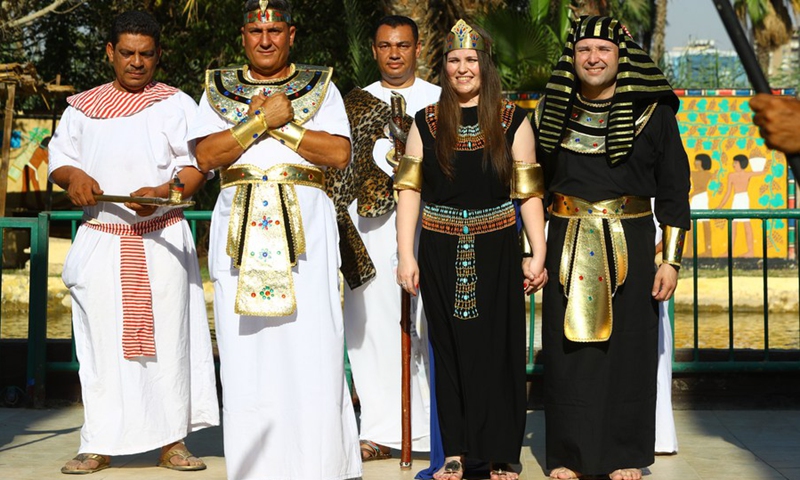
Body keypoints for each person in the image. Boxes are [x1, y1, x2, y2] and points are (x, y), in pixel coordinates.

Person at [187, 1, 361, 479]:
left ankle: (320, 466)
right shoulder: (217, 88)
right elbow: (206, 156)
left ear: (291, 34)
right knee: (245, 351)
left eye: (275, 31)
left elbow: (339, 153)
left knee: (313, 343)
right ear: (243, 36)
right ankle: (254, 468)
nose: (265, 40)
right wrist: (259, 121)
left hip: (306, 231)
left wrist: (284, 122)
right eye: (255, 31)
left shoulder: (321, 86)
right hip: (239, 231)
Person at [48, 10, 219, 475]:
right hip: (103, 240)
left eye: (146, 54)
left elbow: (198, 167)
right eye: (127, 53)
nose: (136, 62)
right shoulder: (82, 107)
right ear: (110, 52)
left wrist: (165, 192)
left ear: (158, 55)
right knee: (100, 346)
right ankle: (98, 442)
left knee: (169, 342)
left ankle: (172, 442)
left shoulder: (177, 104)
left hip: (162, 241)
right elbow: (60, 161)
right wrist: (75, 178)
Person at [533, 15, 690, 480]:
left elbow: (675, 190)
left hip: (633, 244)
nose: (593, 58)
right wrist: (532, 251)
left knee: (629, 349)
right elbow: (532, 187)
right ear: (573, 58)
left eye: (603, 49)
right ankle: (568, 455)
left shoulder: (653, 114)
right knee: (568, 352)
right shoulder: (550, 113)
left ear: (621, 57)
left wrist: (671, 260)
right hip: (566, 242)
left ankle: (625, 455)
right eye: (584, 50)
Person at [395, 19, 547, 480]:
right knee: (449, 351)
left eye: (471, 59)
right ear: (444, 66)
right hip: (440, 249)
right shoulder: (425, 122)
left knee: (500, 350)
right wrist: (406, 254)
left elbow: (528, 192)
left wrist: (537, 250)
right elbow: (409, 191)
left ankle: (501, 454)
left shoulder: (513, 120)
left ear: (485, 65)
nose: (463, 68)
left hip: (498, 248)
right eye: (454, 60)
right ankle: (457, 453)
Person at [337, 14, 441, 461]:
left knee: (431, 324)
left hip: (433, 227)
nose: (394, 53)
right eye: (385, 45)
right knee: (372, 326)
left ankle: (436, 430)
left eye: (402, 45)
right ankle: (381, 429)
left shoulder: (442, 99)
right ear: (374, 50)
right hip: (371, 232)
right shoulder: (352, 104)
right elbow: (339, 172)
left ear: (417, 48)